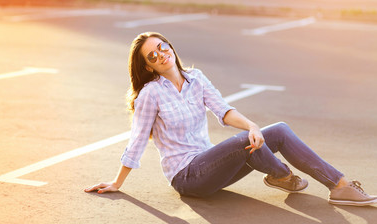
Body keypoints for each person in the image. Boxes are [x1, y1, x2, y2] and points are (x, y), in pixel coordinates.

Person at [85, 32, 377, 206]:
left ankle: (338, 185)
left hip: (211, 166)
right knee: (243, 143)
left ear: (170, 47)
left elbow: (223, 111)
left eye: (162, 47)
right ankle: (281, 175)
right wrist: (117, 182)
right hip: (187, 177)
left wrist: (251, 124)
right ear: (148, 67)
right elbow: (137, 139)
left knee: (277, 130)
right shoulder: (149, 94)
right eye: (152, 56)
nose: (160, 54)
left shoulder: (196, 79)